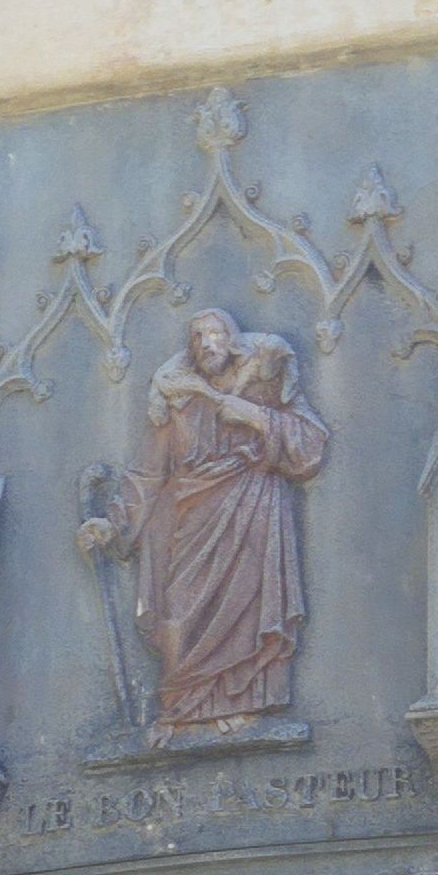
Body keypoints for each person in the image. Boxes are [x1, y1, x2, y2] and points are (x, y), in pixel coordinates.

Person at [97, 308, 329, 744]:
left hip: (253, 510)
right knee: (181, 610)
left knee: (247, 607)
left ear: (233, 340)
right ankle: (182, 710)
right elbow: (148, 472)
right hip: (191, 520)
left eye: (216, 334)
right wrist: (114, 525)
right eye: (198, 337)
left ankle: (243, 705)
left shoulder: (265, 386)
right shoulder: (181, 401)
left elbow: (311, 445)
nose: (207, 343)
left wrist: (255, 415)